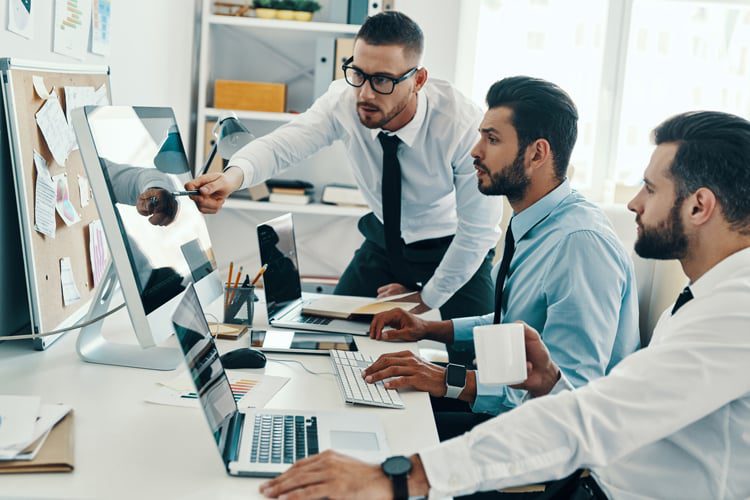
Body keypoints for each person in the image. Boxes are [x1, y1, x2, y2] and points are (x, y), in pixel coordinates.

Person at [258, 110, 750, 499]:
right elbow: (610, 404)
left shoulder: (733, 312)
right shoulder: (701, 297)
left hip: (586, 480)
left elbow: (596, 415)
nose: (635, 204)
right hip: (585, 473)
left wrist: (400, 478)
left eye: (650, 187)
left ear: (699, 206)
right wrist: (548, 383)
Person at [185, 12, 502, 343]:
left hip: (452, 246)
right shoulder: (343, 100)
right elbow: (285, 145)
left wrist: (425, 300)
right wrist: (232, 177)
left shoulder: (460, 124)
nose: (365, 94)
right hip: (385, 240)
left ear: (418, 80)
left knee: (473, 352)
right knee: (328, 336)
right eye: (358, 73)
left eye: (382, 80)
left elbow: (478, 233)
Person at [363, 76, 639, 439]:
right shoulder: (536, 222)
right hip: (511, 414)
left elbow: (569, 392)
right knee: (373, 409)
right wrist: (430, 329)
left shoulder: (579, 243)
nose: (475, 151)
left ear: (537, 153)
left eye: (491, 139)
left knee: (383, 437)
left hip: (544, 442)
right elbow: (510, 324)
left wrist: (446, 378)